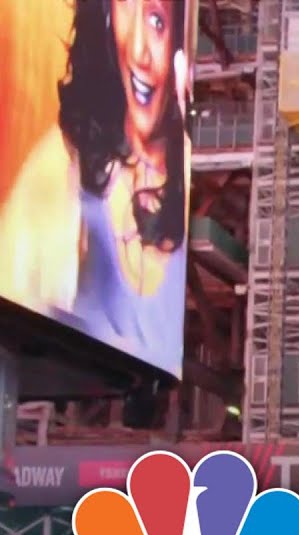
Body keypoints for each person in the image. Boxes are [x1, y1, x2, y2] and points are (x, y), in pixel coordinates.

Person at [0, 0, 191, 376]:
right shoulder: (66, 158)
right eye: (125, 11)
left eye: (156, 22)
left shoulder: (183, 163)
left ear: (179, 50)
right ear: (105, 19)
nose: (139, 51)